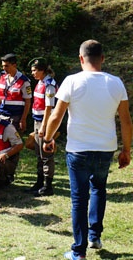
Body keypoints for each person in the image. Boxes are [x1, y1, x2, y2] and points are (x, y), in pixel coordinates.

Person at [42, 40, 131, 260]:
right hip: (105, 149)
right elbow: (126, 122)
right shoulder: (116, 83)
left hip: (78, 149)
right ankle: (95, 237)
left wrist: (48, 138)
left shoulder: (71, 81)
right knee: (99, 189)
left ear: (81, 58)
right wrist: (126, 150)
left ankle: (79, 251)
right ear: (102, 58)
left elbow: (56, 115)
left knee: (79, 198)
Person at [27, 58, 57, 196]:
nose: (33, 73)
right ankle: (39, 182)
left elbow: (49, 107)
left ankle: (47, 185)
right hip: (37, 120)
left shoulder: (49, 84)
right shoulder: (40, 82)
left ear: (42, 70)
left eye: (35, 70)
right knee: (39, 153)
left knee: (46, 154)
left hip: (44, 123)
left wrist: (44, 127)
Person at [0, 53, 31, 133]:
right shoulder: (2, 77)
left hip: (15, 117)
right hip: (2, 115)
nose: (4, 68)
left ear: (14, 65)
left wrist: (23, 119)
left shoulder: (24, 81)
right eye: (3, 66)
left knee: (14, 143)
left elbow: (28, 101)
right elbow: (0, 95)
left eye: (6, 66)